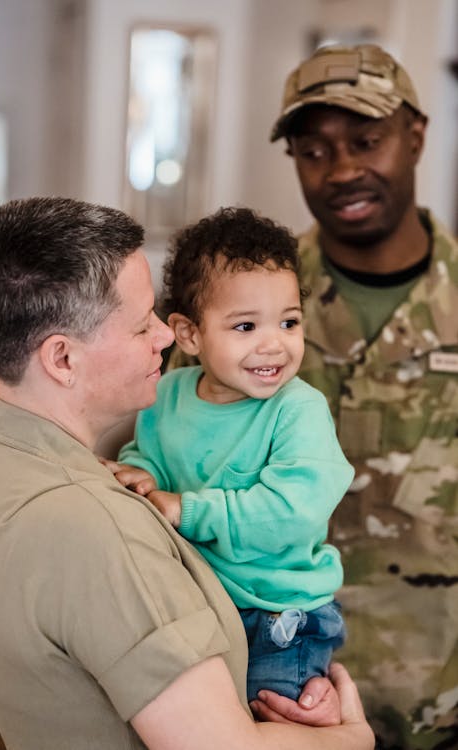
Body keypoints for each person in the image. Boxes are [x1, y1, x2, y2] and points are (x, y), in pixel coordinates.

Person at [0, 197, 374, 750]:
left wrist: (155, 487)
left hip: (283, 612)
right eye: (140, 326)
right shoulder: (101, 526)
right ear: (62, 359)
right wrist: (351, 739)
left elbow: (294, 506)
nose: (163, 336)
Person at [269, 43, 458, 749]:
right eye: (312, 150)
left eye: (366, 140)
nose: (342, 169)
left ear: (416, 135)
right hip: (281, 704)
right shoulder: (241, 310)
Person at [107, 206, 354, 705]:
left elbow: (291, 512)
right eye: (245, 327)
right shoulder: (168, 396)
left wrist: (187, 509)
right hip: (200, 604)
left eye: (288, 322)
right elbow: (153, 460)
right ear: (189, 334)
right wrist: (141, 473)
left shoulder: (299, 411)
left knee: (264, 723)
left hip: (280, 617)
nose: (274, 344)